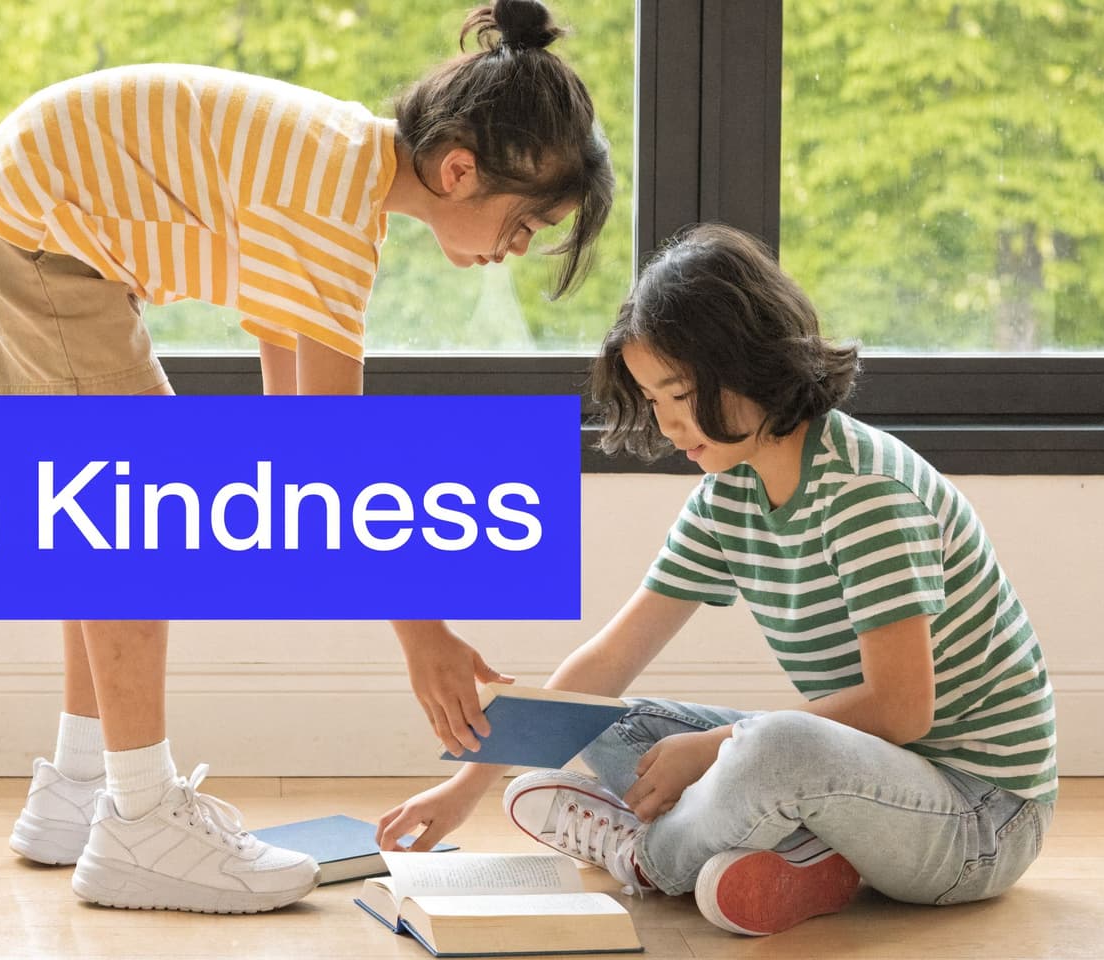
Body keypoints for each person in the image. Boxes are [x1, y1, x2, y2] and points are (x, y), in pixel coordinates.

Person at [0, 0, 617, 914]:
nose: (517, 250)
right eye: (527, 225)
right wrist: (425, 638)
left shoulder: (337, 176)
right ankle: (138, 817)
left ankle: (80, 785)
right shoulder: (333, 210)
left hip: (14, 215)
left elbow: (298, 440)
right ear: (459, 170)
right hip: (35, 232)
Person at [377, 223, 1056, 936]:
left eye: (680, 394)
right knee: (613, 723)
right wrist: (465, 791)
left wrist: (717, 747)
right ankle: (800, 856)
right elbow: (606, 662)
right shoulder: (729, 493)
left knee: (772, 746)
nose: (669, 425)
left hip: (982, 820)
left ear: (749, 362)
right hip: (874, 782)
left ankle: (646, 857)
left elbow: (902, 711)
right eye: (654, 400)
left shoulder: (865, 491)